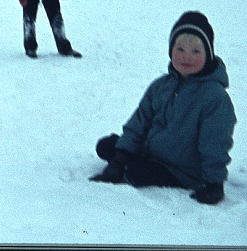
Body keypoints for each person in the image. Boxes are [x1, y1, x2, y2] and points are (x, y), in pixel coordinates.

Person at [90, 11, 237, 205]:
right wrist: (120, 156)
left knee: (134, 173)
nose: (187, 57)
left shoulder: (214, 98)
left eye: (196, 51)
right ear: (171, 51)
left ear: (208, 55)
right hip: (151, 152)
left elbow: (215, 144)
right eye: (180, 49)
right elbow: (139, 122)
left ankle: (136, 166)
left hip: (182, 170)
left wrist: (214, 183)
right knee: (106, 146)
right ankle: (128, 158)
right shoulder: (161, 86)